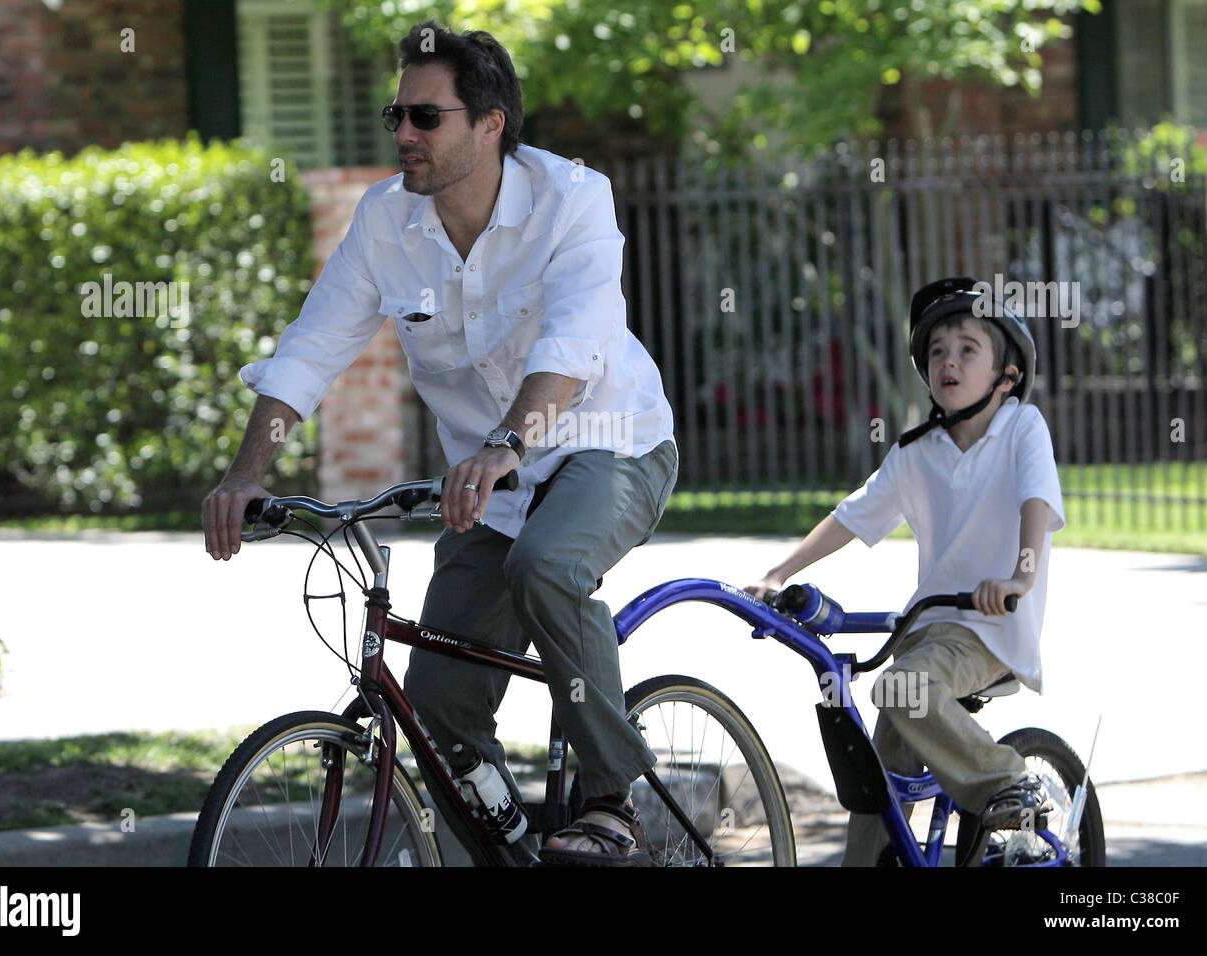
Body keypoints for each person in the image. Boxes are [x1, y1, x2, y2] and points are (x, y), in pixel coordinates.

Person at [201, 20, 677, 866]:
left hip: (610, 442)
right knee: (439, 714)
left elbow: (573, 342)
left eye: (426, 117)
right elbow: (312, 349)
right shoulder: (387, 220)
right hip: (488, 485)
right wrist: (245, 474)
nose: (403, 135)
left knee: (547, 567)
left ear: (490, 123)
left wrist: (505, 444)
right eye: (396, 116)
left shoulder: (573, 197)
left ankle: (612, 800)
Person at [745, 276, 1066, 867]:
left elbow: (1035, 503)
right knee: (876, 784)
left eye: (968, 349)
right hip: (926, 635)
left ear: (1007, 375)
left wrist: (1020, 579)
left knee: (898, 687)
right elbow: (851, 516)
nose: (949, 360)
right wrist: (778, 571)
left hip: (989, 630)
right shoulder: (916, 451)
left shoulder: (1022, 427)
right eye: (938, 351)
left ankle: (1006, 780)